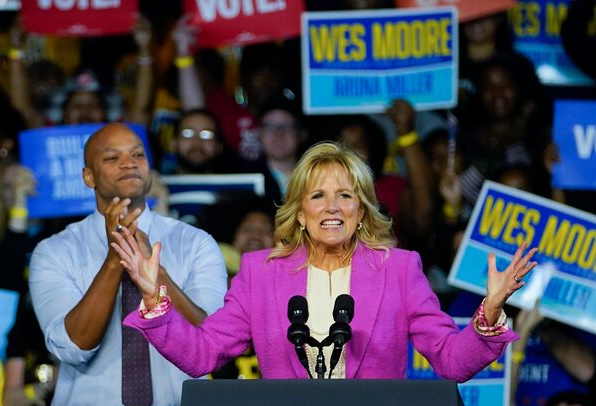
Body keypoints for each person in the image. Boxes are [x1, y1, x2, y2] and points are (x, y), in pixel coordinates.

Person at [114, 141, 536, 381]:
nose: (332, 207)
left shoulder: (399, 269)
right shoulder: (261, 273)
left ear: (362, 209)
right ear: (300, 211)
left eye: (345, 195)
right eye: (317, 195)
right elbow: (202, 354)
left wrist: (490, 313)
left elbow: (449, 359)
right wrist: (154, 299)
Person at [28, 122, 226, 406]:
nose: (129, 163)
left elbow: (210, 343)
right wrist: (117, 257)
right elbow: (73, 346)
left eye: (137, 154)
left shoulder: (195, 244)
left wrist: (148, 264)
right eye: (112, 157)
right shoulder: (54, 251)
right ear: (88, 176)